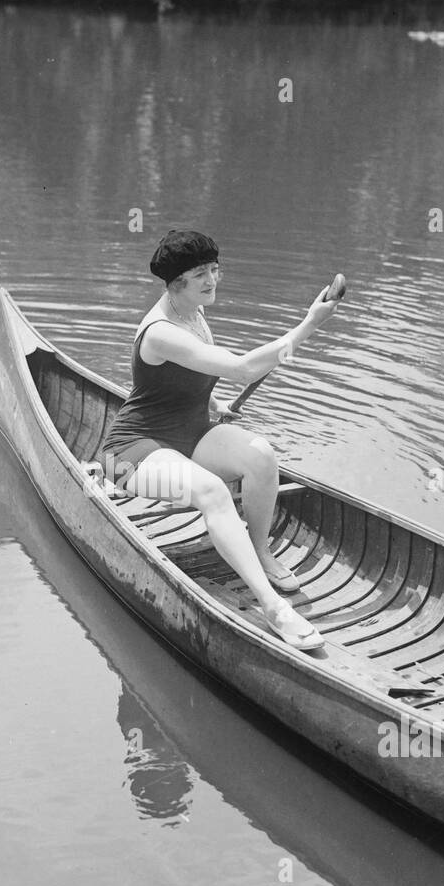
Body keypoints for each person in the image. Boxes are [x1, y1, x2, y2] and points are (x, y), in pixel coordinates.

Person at [98, 229, 343, 650]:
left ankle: (260, 552)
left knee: (261, 456)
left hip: (190, 430)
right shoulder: (161, 331)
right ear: (175, 283)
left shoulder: (193, 312)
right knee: (212, 491)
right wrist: (309, 324)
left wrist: (215, 405)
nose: (211, 280)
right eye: (199, 275)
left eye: (214, 269)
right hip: (133, 449)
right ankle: (273, 607)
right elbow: (245, 368)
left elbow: (182, 379)